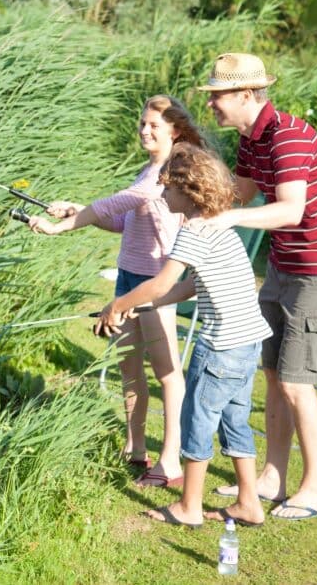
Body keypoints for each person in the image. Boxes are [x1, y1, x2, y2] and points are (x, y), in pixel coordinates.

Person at [195, 53, 317, 521]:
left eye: (217, 97)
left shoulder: (287, 136)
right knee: (272, 373)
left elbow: (289, 211)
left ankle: (313, 490)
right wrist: (190, 198)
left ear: (246, 95)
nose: (211, 105)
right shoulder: (252, 139)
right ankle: (273, 476)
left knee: (296, 382)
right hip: (285, 265)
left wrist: (229, 217)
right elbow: (241, 192)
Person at [28, 95, 203, 487]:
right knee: (129, 369)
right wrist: (80, 212)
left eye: (154, 125)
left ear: (174, 131)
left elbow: (123, 200)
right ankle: (135, 448)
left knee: (166, 372)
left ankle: (170, 458)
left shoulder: (172, 169)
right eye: (142, 123)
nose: (144, 130)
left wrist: (62, 228)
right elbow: (125, 219)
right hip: (127, 277)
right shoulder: (148, 168)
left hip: (155, 284)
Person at [95, 143, 273, 528]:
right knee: (234, 421)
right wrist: (140, 307)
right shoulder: (218, 225)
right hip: (247, 343)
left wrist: (118, 304)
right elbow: (191, 286)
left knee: (197, 420)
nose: (162, 194)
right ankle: (248, 502)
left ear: (189, 190)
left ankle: (189, 507)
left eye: (168, 188)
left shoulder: (192, 230)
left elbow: (161, 283)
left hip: (220, 345)